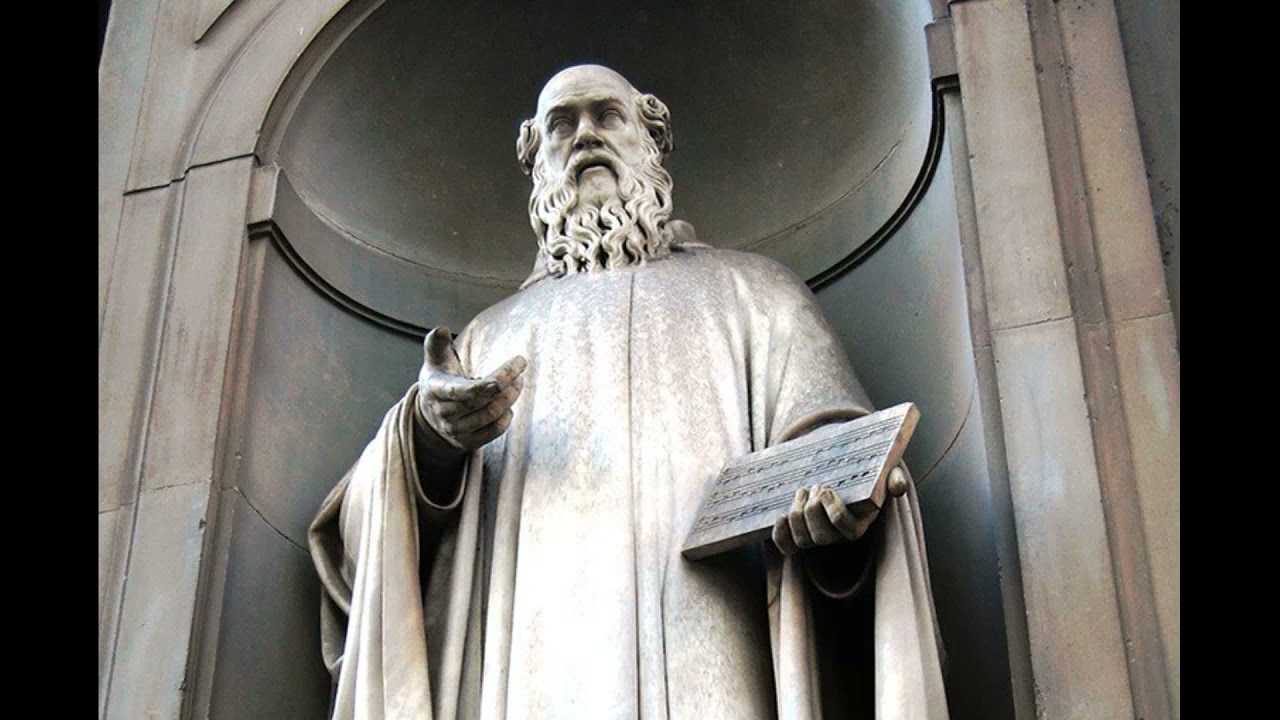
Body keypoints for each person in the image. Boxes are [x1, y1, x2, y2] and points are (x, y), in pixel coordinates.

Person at [309, 64, 946, 720]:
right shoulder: (486, 338)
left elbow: (835, 450)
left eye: (606, 116)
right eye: (562, 125)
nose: (585, 136)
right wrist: (427, 439)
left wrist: (837, 516)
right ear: (536, 160)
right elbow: (366, 544)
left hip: (712, 648)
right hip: (533, 666)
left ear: (652, 140)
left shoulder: (755, 293)